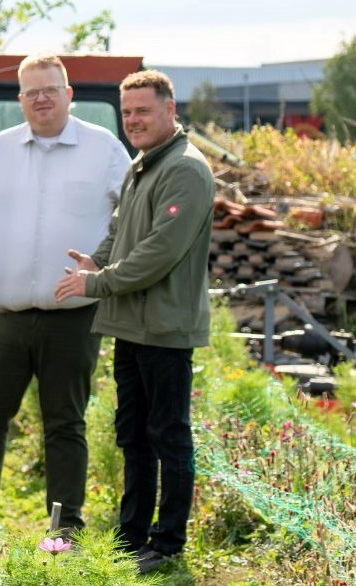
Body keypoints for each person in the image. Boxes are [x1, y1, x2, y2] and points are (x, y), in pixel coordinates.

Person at [0, 53, 130, 541]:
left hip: (71, 318)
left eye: (50, 89)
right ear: (21, 98)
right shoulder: (1, 148)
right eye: (31, 91)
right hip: (1, 319)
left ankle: (63, 531)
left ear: (69, 94)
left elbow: (134, 217)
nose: (41, 98)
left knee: (65, 426)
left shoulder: (104, 148)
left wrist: (105, 265)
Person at [54, 69, 214, 575]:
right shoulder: (143, 165)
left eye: (143, 110)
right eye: (127, 112)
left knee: (169, 435)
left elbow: (158, 253)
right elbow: (120, 233)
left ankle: (167, 544)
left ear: (170, 110)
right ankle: (131, 536)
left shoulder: (186, 170)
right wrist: (94, 262)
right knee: (134, 435)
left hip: (165, 328)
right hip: (130, 324)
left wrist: (96, 285)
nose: (134, 120)